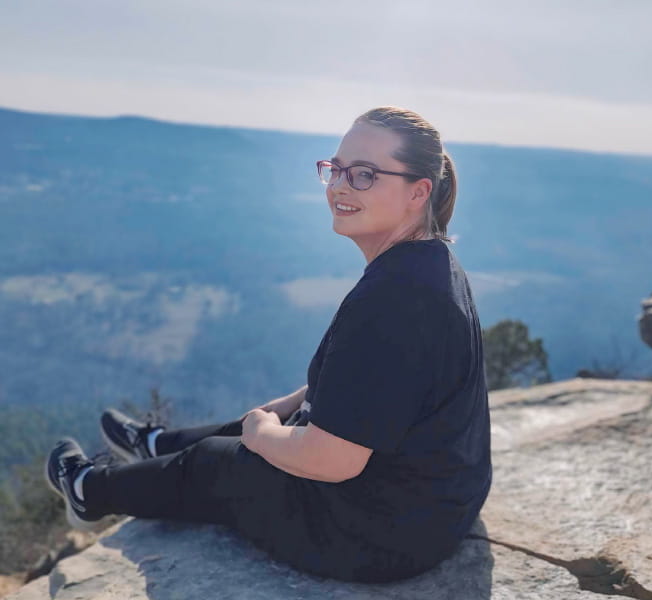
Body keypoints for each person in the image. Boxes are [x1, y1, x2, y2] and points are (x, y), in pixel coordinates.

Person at [45, 106, 492, 583]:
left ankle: (90, 490)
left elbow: (330, 459)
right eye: (336, 169)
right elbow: (386, 385)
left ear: (417, 191)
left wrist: (259, 434)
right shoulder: (431, 264)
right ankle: (158, 445)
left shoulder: (393, 300)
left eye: (364, 175)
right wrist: (298, 401)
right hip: (437, 507)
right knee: (278, 417)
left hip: (376, 536)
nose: (339, 186)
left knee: (219, 463)